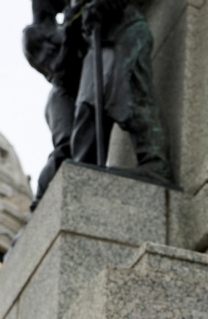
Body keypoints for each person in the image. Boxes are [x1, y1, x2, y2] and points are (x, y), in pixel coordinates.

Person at [71, 0, 172, 182]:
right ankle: (84, 176)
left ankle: (155, 162)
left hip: (127, 28)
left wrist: (104, 3)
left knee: (133, 96)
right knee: (87, 108)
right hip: (99, 41)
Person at [23, 0, 84, 209]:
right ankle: (39, 202)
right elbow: (57, 68)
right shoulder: (32, 34)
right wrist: (71, 31)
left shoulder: (63, 26)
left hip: (82, 92)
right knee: (66, 147)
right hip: (62, 95)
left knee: (84, 149)